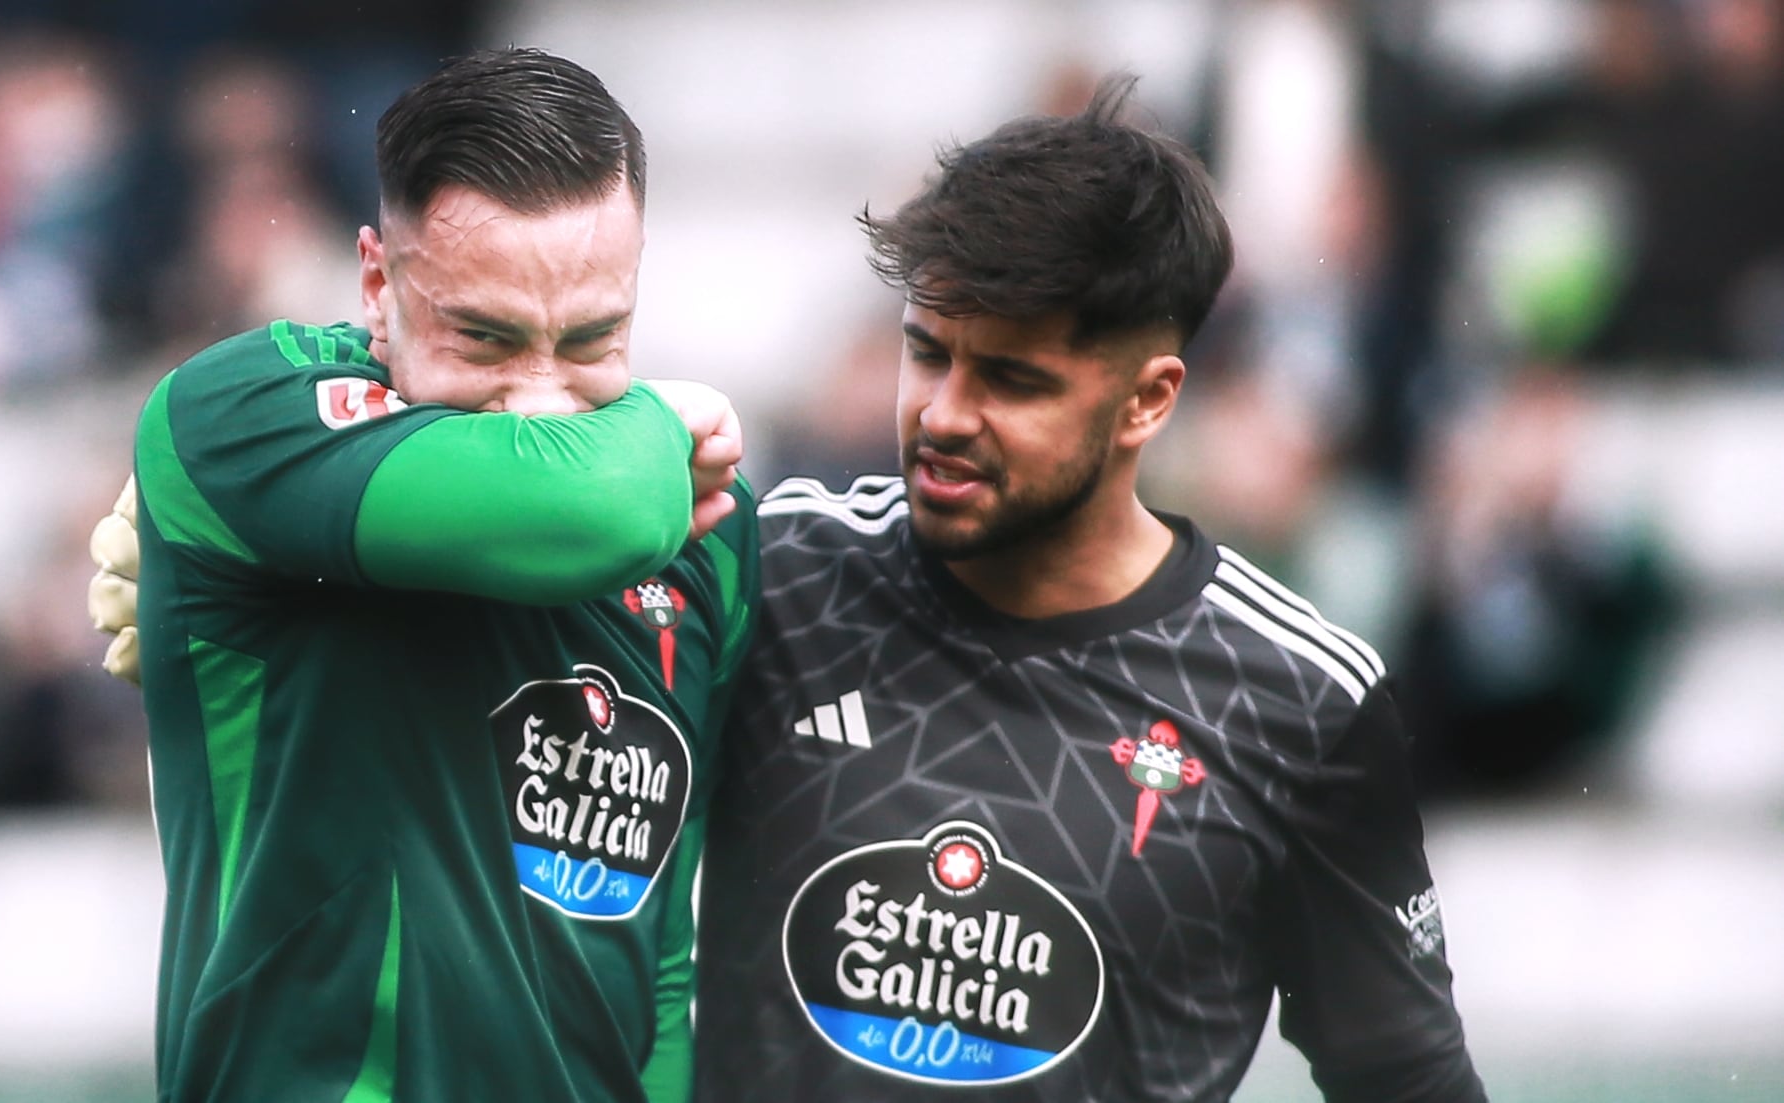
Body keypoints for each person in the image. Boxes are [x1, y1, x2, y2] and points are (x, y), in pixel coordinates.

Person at [690, 78, 1486, 1102]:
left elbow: (1408, 1080)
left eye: (1011, 381)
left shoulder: (1303, 704)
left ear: (1147, 399)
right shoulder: (777, 572)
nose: (942, 414)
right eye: (925, 353)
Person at [96, 48, 759, 1102]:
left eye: (595, 338)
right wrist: (655, 414)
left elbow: (659, 946)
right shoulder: (238, 416)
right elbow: (599, 503)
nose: (540, 402)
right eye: (483, 339)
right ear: (376, 279)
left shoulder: (710, 532)